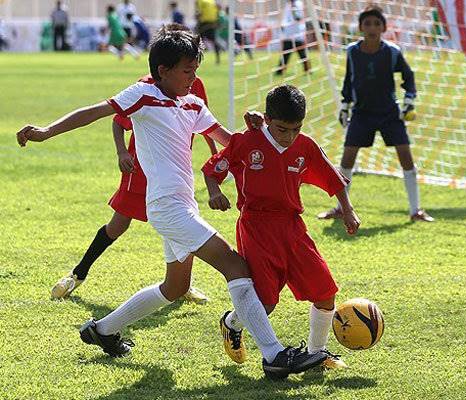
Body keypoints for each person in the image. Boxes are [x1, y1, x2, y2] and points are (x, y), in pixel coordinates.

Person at [16, 27, 326, 378]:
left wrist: (260, 131)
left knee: (175, 287)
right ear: (163, 70)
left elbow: (228, 141)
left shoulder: (193, 103)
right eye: (187, 71)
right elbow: (96, 111)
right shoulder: (143, 95)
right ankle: (273, 355)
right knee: (236, 267)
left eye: (195, 70)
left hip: (184, 205)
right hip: (166, 207)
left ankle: (101, 330)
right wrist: (45, 131)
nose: (193, 79)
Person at [51, 24, 216, 304]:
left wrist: (214, 154)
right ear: (165, 66)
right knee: (118, 226)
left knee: (179, 223)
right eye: (187, 66)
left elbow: (207, 124)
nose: (191, 72)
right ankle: (77, 274)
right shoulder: (146, 89)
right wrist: (121, 154)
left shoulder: (193, 84)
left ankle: (181, 284)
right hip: (140, 168)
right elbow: (117, 121)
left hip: (175, 170)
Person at [202, 84, 360, 371]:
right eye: (282, 129)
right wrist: (215, 192)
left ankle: (318, 353)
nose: (289, 137)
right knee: (265, 303)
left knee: (325, 294)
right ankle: (232, 322)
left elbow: (333, 179)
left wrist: (347, 211)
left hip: (292, 227)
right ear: (266, 119)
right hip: (257, 227)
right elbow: (213, 169)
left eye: (296, 129)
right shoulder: (246, 141)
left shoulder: (305, 146)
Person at [318, 7, 433, 222]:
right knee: (347, 158)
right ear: (361, 27)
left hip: (389, 113)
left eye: (376, 24)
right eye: (367, 24)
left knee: (406, 157)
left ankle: (415, 210)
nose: (372, 28)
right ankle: (341, 208)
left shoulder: (392, 52)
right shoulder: (352, 51)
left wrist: (409, 102)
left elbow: (409, 78)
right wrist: (345, 105)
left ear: (384, 28)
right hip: (361, 113)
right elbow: (349, 80)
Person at [275, 0, 310, 75]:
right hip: (288, 33)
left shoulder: (297, 3)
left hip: (297, 33)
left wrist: (293, 7)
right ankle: (280, 71)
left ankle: (307, 70)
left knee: (302, 54)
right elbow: (287, 17)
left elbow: (298, 17)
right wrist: (283, 25)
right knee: (285, 53)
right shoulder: (288, 4)